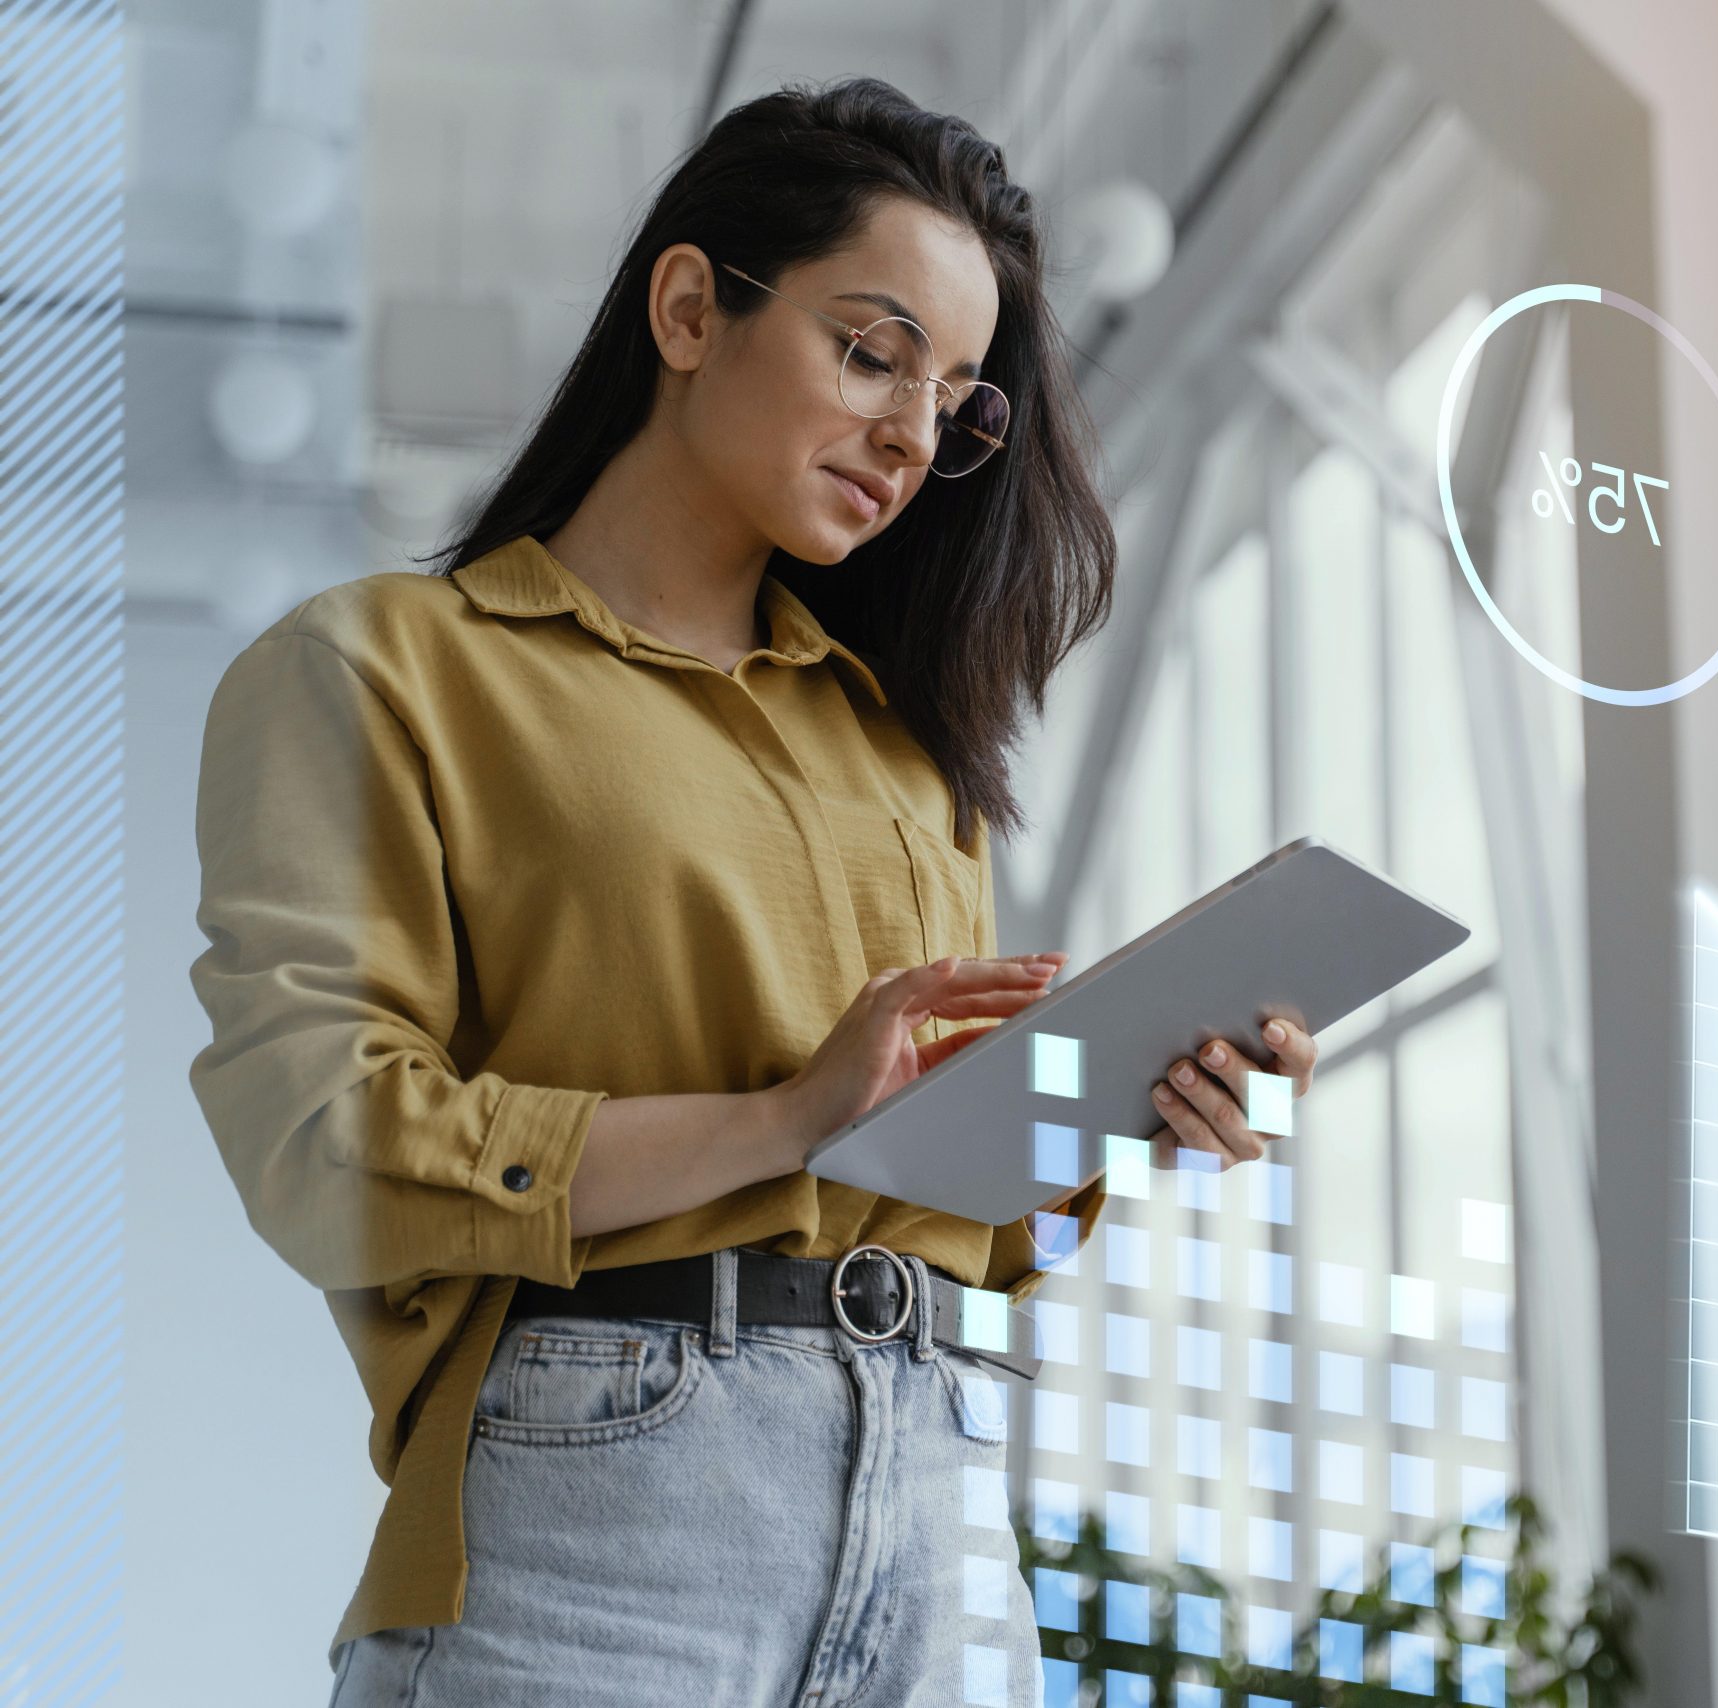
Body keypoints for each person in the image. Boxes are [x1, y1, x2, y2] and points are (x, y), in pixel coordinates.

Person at [186, 77, 1317, 1706]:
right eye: (873, 353)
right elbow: (320, 1143)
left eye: (958, 401)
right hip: (597, 1525)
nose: (917, 434)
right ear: (691, 306)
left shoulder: (908, 755)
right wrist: (781, 1119)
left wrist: (1110, 1102)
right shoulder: (379, 673)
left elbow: (944, 1208)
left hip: (942, 1511)